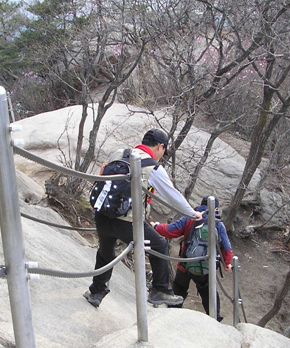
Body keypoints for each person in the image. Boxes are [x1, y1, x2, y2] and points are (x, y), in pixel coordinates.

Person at [84, 129, 203, 308]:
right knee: (159, 244)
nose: (163, 155)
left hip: (102, 215)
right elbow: (172, 195)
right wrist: (191, 213)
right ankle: (160, 290)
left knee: (106, 252)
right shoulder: (151, 166)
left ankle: (96, 292)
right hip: (127, 222)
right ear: (160, 146)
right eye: (164, 150)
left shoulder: (119, 153)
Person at [152, 197, 233, 322]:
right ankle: (214, 319)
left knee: (179, 288)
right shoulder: (218, 223)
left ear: (200, 205)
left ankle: (173, 315)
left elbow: (170, 231)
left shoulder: (190, 218)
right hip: (207, 266)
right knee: (209, 293)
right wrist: (227, 264)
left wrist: (156, 226)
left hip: (185, 264)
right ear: (216, 209)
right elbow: (226, 248)